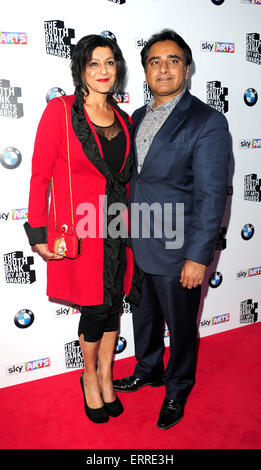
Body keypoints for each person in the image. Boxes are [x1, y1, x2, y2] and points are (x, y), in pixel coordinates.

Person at [113, 29, 231, 430]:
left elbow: (212, 196)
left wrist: (198, 256)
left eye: (173, 60)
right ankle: (148, 369)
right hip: (138, 243)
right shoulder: (137, 117)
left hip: (180, 248)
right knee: (143, 318)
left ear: (187, 68)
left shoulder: (207, 121)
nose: (163, 68)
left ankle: (178, 388)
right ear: (145, 71)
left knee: (181, 327)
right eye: (154, 62)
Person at [24, 34, 142, 424]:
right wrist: (38, 234)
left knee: (111, 306)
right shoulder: (60, 111)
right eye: (94, 63)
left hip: (115, 229)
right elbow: (40, 174)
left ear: (118, 69)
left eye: (110, 63)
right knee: (94, 307)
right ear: (80, 69)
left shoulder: (124, 119)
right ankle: (89, 376)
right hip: (79, 230)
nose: (103, 71)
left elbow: (124, 180)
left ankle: (108, 373)